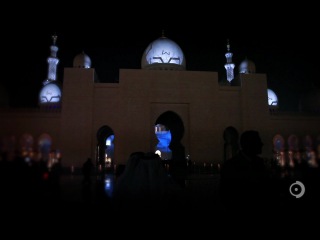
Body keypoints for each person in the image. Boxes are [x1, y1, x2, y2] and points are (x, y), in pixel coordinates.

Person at [219, 130, 273, 213]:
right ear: (250, 144)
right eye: (258, 141)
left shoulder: (259, 163)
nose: (262, 144)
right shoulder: (231, 166)